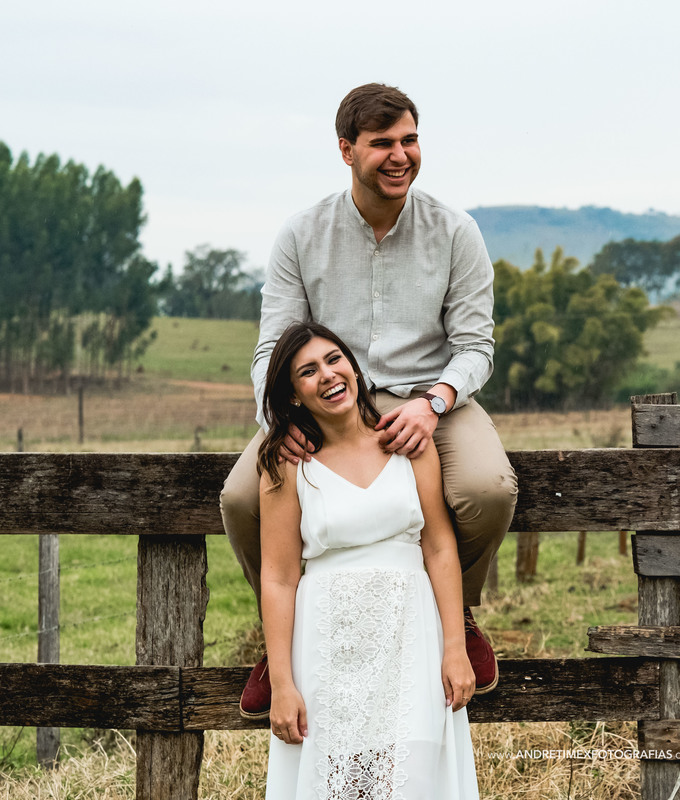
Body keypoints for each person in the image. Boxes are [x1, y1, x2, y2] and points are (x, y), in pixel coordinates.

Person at [221, 83, 518, 719]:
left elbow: (475, 347)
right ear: (346, 150)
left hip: (427, 394)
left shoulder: (456, 231)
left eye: (410, 140)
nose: (400, 155)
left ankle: (456, 618)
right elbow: (272, 345)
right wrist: (279, 420)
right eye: (382, 143)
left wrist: (434, 402)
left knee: (489, 488)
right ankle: (281, 645)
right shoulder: (302, 234)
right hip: (329, 396)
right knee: (242, 496)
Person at [260, 321, 479, 799]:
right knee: (340, 784)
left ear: (354, 369)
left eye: (335, 359)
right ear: (294, 394)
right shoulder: (286, 463)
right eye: (308, 371)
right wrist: (282, 681)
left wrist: (454, 646)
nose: (328, 375)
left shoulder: (406, 444)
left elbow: (439, 547)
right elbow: (277, 577)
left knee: (413, 778)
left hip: (410, 636)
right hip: (328, 645)